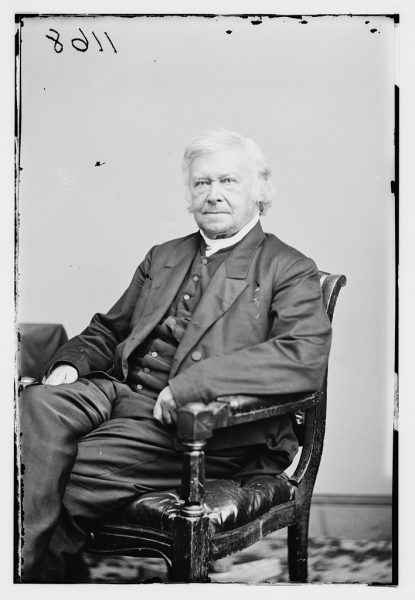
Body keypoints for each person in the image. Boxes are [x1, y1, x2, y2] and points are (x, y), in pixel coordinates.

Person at [17, 130, 332, 582]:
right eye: (202, 183)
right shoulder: (163, 255)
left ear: (260, 190)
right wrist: (71, 363)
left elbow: (303, 358)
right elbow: (111, 329)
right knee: (35, 405)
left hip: (208, 427)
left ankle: (29, 580)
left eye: (229, 181)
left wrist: (190, 386)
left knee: (48, 466)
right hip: (122, 396)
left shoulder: (288, 266)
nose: (213, 194)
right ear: (189, 195)